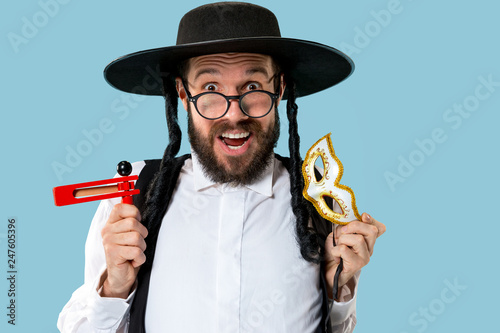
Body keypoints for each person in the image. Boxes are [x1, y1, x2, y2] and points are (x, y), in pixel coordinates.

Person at [57, 2, 386, 333]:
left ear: (280, 89)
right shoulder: (136, 194)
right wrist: (114, 287)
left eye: (253, 88)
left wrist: (338, 290)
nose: (233, 115)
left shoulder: (315, 200)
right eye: (211, 89)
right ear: (184, 94)